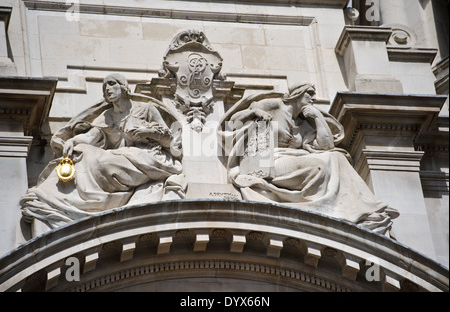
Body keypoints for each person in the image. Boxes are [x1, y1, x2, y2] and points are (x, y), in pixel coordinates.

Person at [219, 82, 399, 235]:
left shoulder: (304, 124)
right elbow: (233, 122)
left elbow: (326, 146)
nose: (313, 98)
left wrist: (318, 117)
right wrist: (255, 113)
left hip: (293, 158)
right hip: (271, 162)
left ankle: (366, 208)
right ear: (297, 94)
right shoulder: (274, 105)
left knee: (337, 156)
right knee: (321, 166)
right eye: (309, 94)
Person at [20, 73, 184, 232]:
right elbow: (90, 137)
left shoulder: (146, 109)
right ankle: (75, 200)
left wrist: (146, 132)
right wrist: (72, 141)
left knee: (106, 163)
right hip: (123, 156)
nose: (107, 89)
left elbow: (168, 139)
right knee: (83, 152)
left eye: (112, 83)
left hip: (148, 155)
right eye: (104, 86)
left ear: (124, 86)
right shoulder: (106, 117)